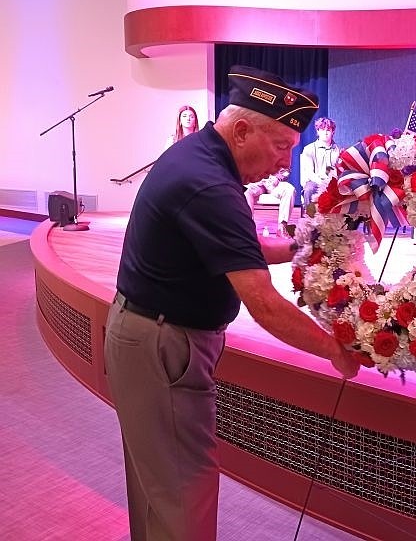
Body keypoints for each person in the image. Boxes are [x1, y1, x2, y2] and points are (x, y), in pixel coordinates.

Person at [104, 65, 360, 541]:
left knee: (157, 488)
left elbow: (233, 245)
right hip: (162, 346)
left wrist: (299, 248)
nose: (286, 163)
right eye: (282, 146)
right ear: (241, 130)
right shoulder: (210, 184)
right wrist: (333, 349)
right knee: (184, 490)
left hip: (146, 336)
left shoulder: (201, 158)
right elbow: (262, 302)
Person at [243, 166, 296, 237]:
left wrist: (278, 177)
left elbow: (286, 171)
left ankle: (282, 227)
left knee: (289, 189)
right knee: (246, 190)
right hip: (257, 181)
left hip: (274, 182)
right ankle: (249, 227)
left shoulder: (280, 154)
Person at [300, 116, 339, 206]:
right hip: (315, 181)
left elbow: (337, 170)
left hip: (332, 181)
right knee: (309, 190)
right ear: (318, 131)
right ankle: (310, 217)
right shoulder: (309, 149)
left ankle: (337, 218)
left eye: (328, 130)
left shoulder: (337, 150)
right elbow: (309, 173)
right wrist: (321, 183)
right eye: (322, 129)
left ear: (332, 132)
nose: (325, 133)